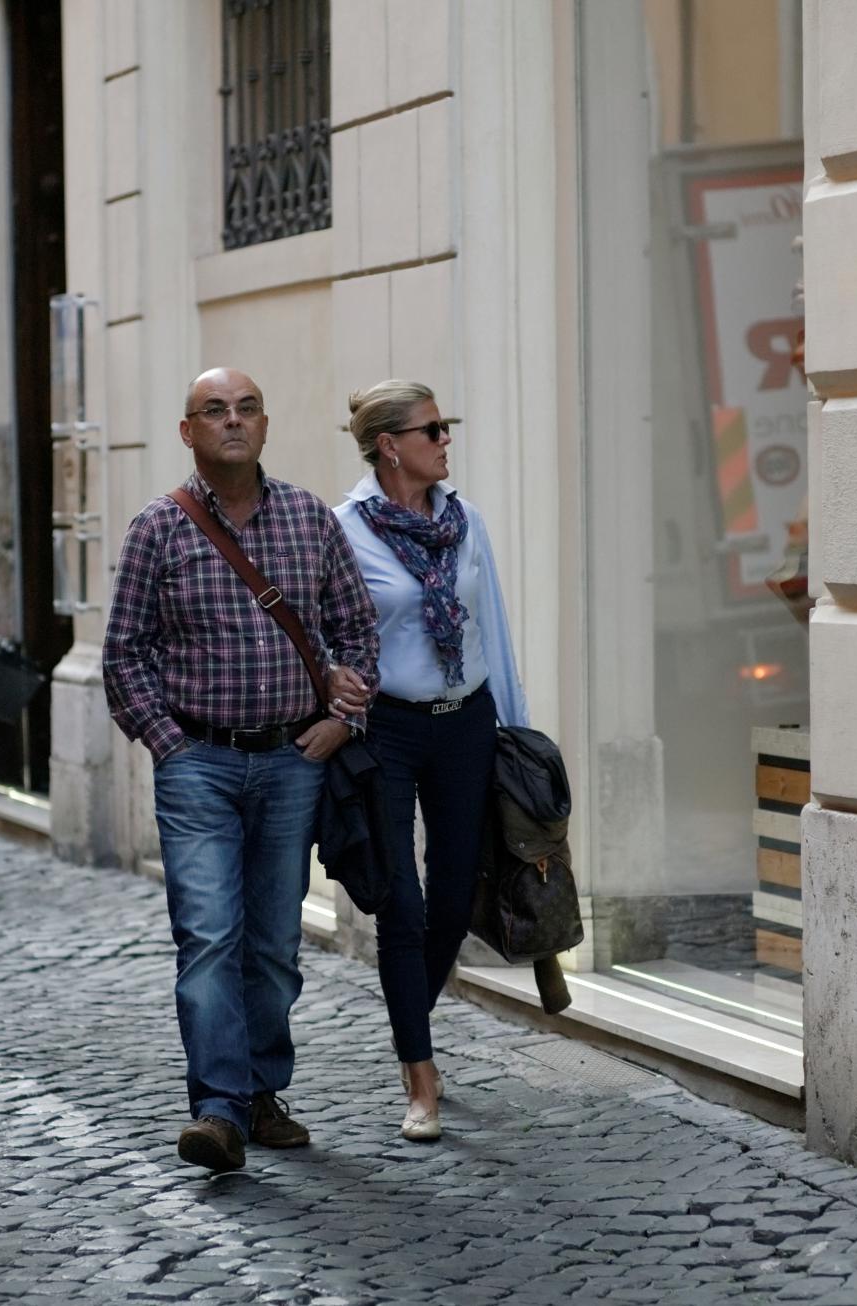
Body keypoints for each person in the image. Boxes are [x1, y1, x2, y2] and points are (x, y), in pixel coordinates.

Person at [102, 368, 379, 1174]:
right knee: (210, 936)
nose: (232, 421)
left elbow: (356, 632)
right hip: (199, 764)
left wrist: (341, 719)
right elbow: (125, 653)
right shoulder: (159, 528)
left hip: (294, 760)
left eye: (246, 409)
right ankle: (218, 1111)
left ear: (265, 426)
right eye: (214, 411)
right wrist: (171, 744)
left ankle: (262, 1093)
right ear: (187, 432)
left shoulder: (309, 520)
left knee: (273, 943)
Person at [330, 379, 529, 1142]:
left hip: (467, 723)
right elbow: (320, 633)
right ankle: (420, 1075)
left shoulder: (464, 520)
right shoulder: (342, 530)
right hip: (386, 727)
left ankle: (410, 1017)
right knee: (400, 908)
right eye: (432, 430)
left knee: (452, 899)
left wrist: (516, 735)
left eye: (445, 427)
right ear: (390, 447)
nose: (446, 441)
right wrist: (329, 688)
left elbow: (493, 629)